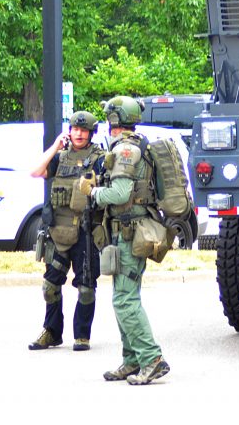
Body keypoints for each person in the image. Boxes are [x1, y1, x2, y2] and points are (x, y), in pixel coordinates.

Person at [76, 95, 170, 385]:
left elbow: (119, 194)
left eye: (108, 118)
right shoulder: (128, 145)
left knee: (125, 300)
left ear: (114, 120)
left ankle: (152, 359)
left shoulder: (126, 150)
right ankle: (131, 360)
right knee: (123, 296)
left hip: (131, 232)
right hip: (123, 231)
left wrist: (92, 193)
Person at [28, 111, 106, 352]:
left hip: (85, 231)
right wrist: (55, 146)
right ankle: (51, 332)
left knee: (86, 288)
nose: (79, 133)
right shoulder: (60, 157)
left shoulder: (99, 158)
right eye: (75, 129)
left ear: (91, 133)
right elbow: (35, 171)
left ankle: (82, 335)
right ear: (69, 131)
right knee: (50, 286)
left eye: (83, 130)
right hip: (58, 231)